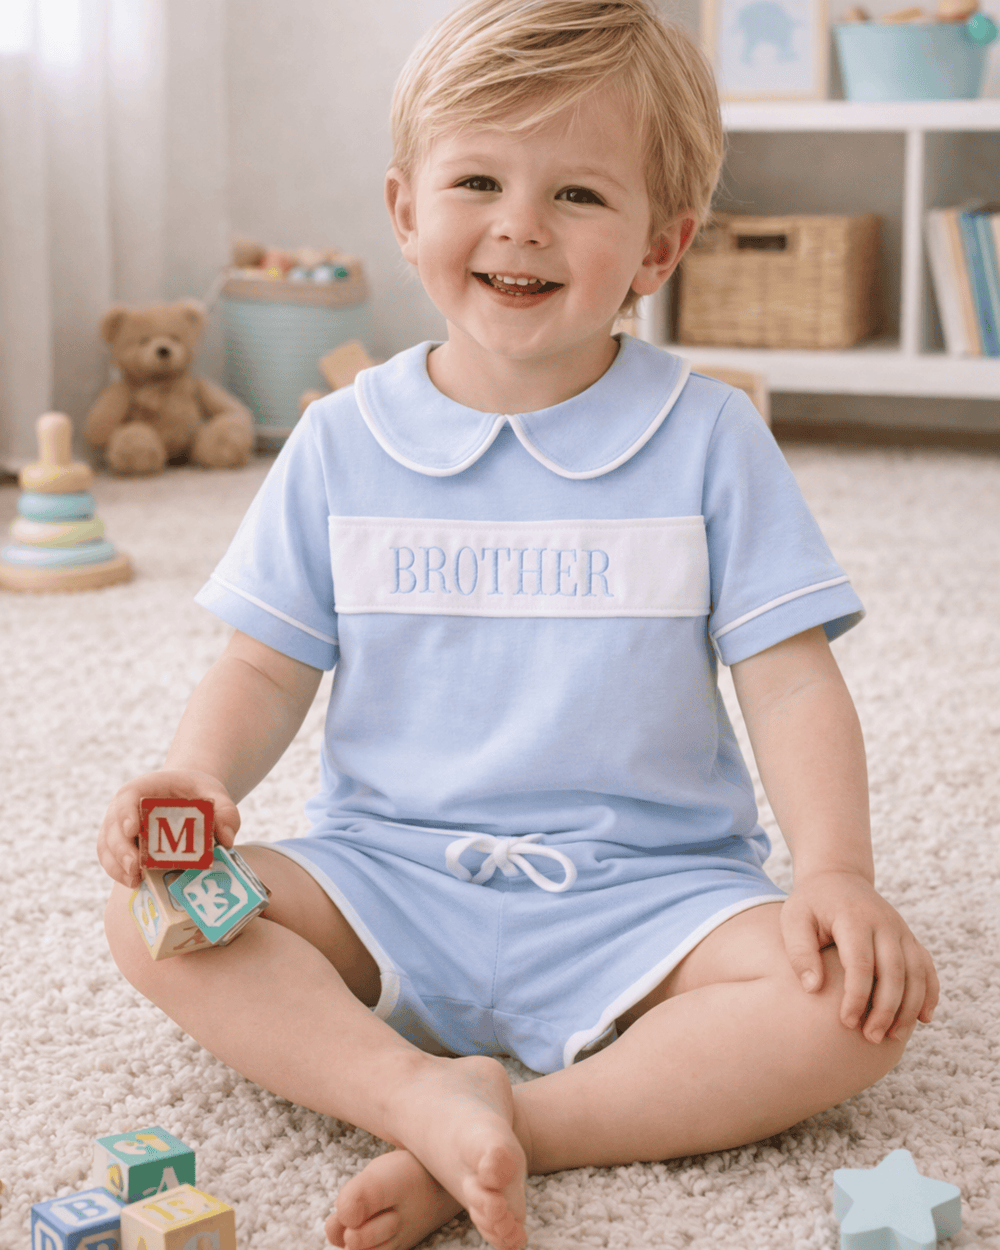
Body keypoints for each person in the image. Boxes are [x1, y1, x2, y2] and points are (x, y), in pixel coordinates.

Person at [99, 3, 940, 1249]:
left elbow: (790, 682)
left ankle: (521, 1124)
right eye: (478, 179)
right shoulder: (339, 441)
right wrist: (197, 776)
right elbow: (263, 662)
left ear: (662, 245)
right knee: (153, 913)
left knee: (852, 1008)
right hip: (385, 873)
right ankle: (413, 1091)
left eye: (579, 195)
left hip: (648, 895)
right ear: (404, 210)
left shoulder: (711, 436)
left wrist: (834, 876)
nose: (520, 223)